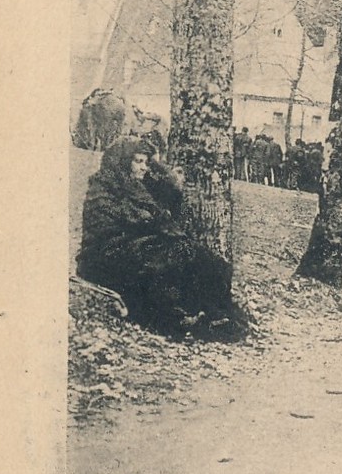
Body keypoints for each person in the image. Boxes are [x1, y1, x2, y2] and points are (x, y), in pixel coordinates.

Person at [75, 138, 245, 340]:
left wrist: (161, 175)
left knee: (206, 259)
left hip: (134, 248)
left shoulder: (139, 187)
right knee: (168, 260)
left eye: (146, 163)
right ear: (122, 163)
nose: (144, 168)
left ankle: (217, 315)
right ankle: (175, 321)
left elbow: (173, 199)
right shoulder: (103, 189)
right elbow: (108, 230)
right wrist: (152, 226)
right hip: (105, 257)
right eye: (138, 161)